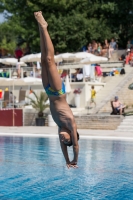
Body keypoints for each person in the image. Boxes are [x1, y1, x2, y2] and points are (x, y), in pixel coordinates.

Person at [34, 11, 79, 168]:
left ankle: (40, 29)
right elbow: (75, 146)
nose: (62, 138)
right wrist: (75, 160)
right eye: (65, 139)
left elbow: (64, 147)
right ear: (71, 137)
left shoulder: (60, 128)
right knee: (49, 60)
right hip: (58, 92)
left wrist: (66, 161)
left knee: (42, 60)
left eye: (63, 140)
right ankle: (45, 27)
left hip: (48, 91)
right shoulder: (70, 123)